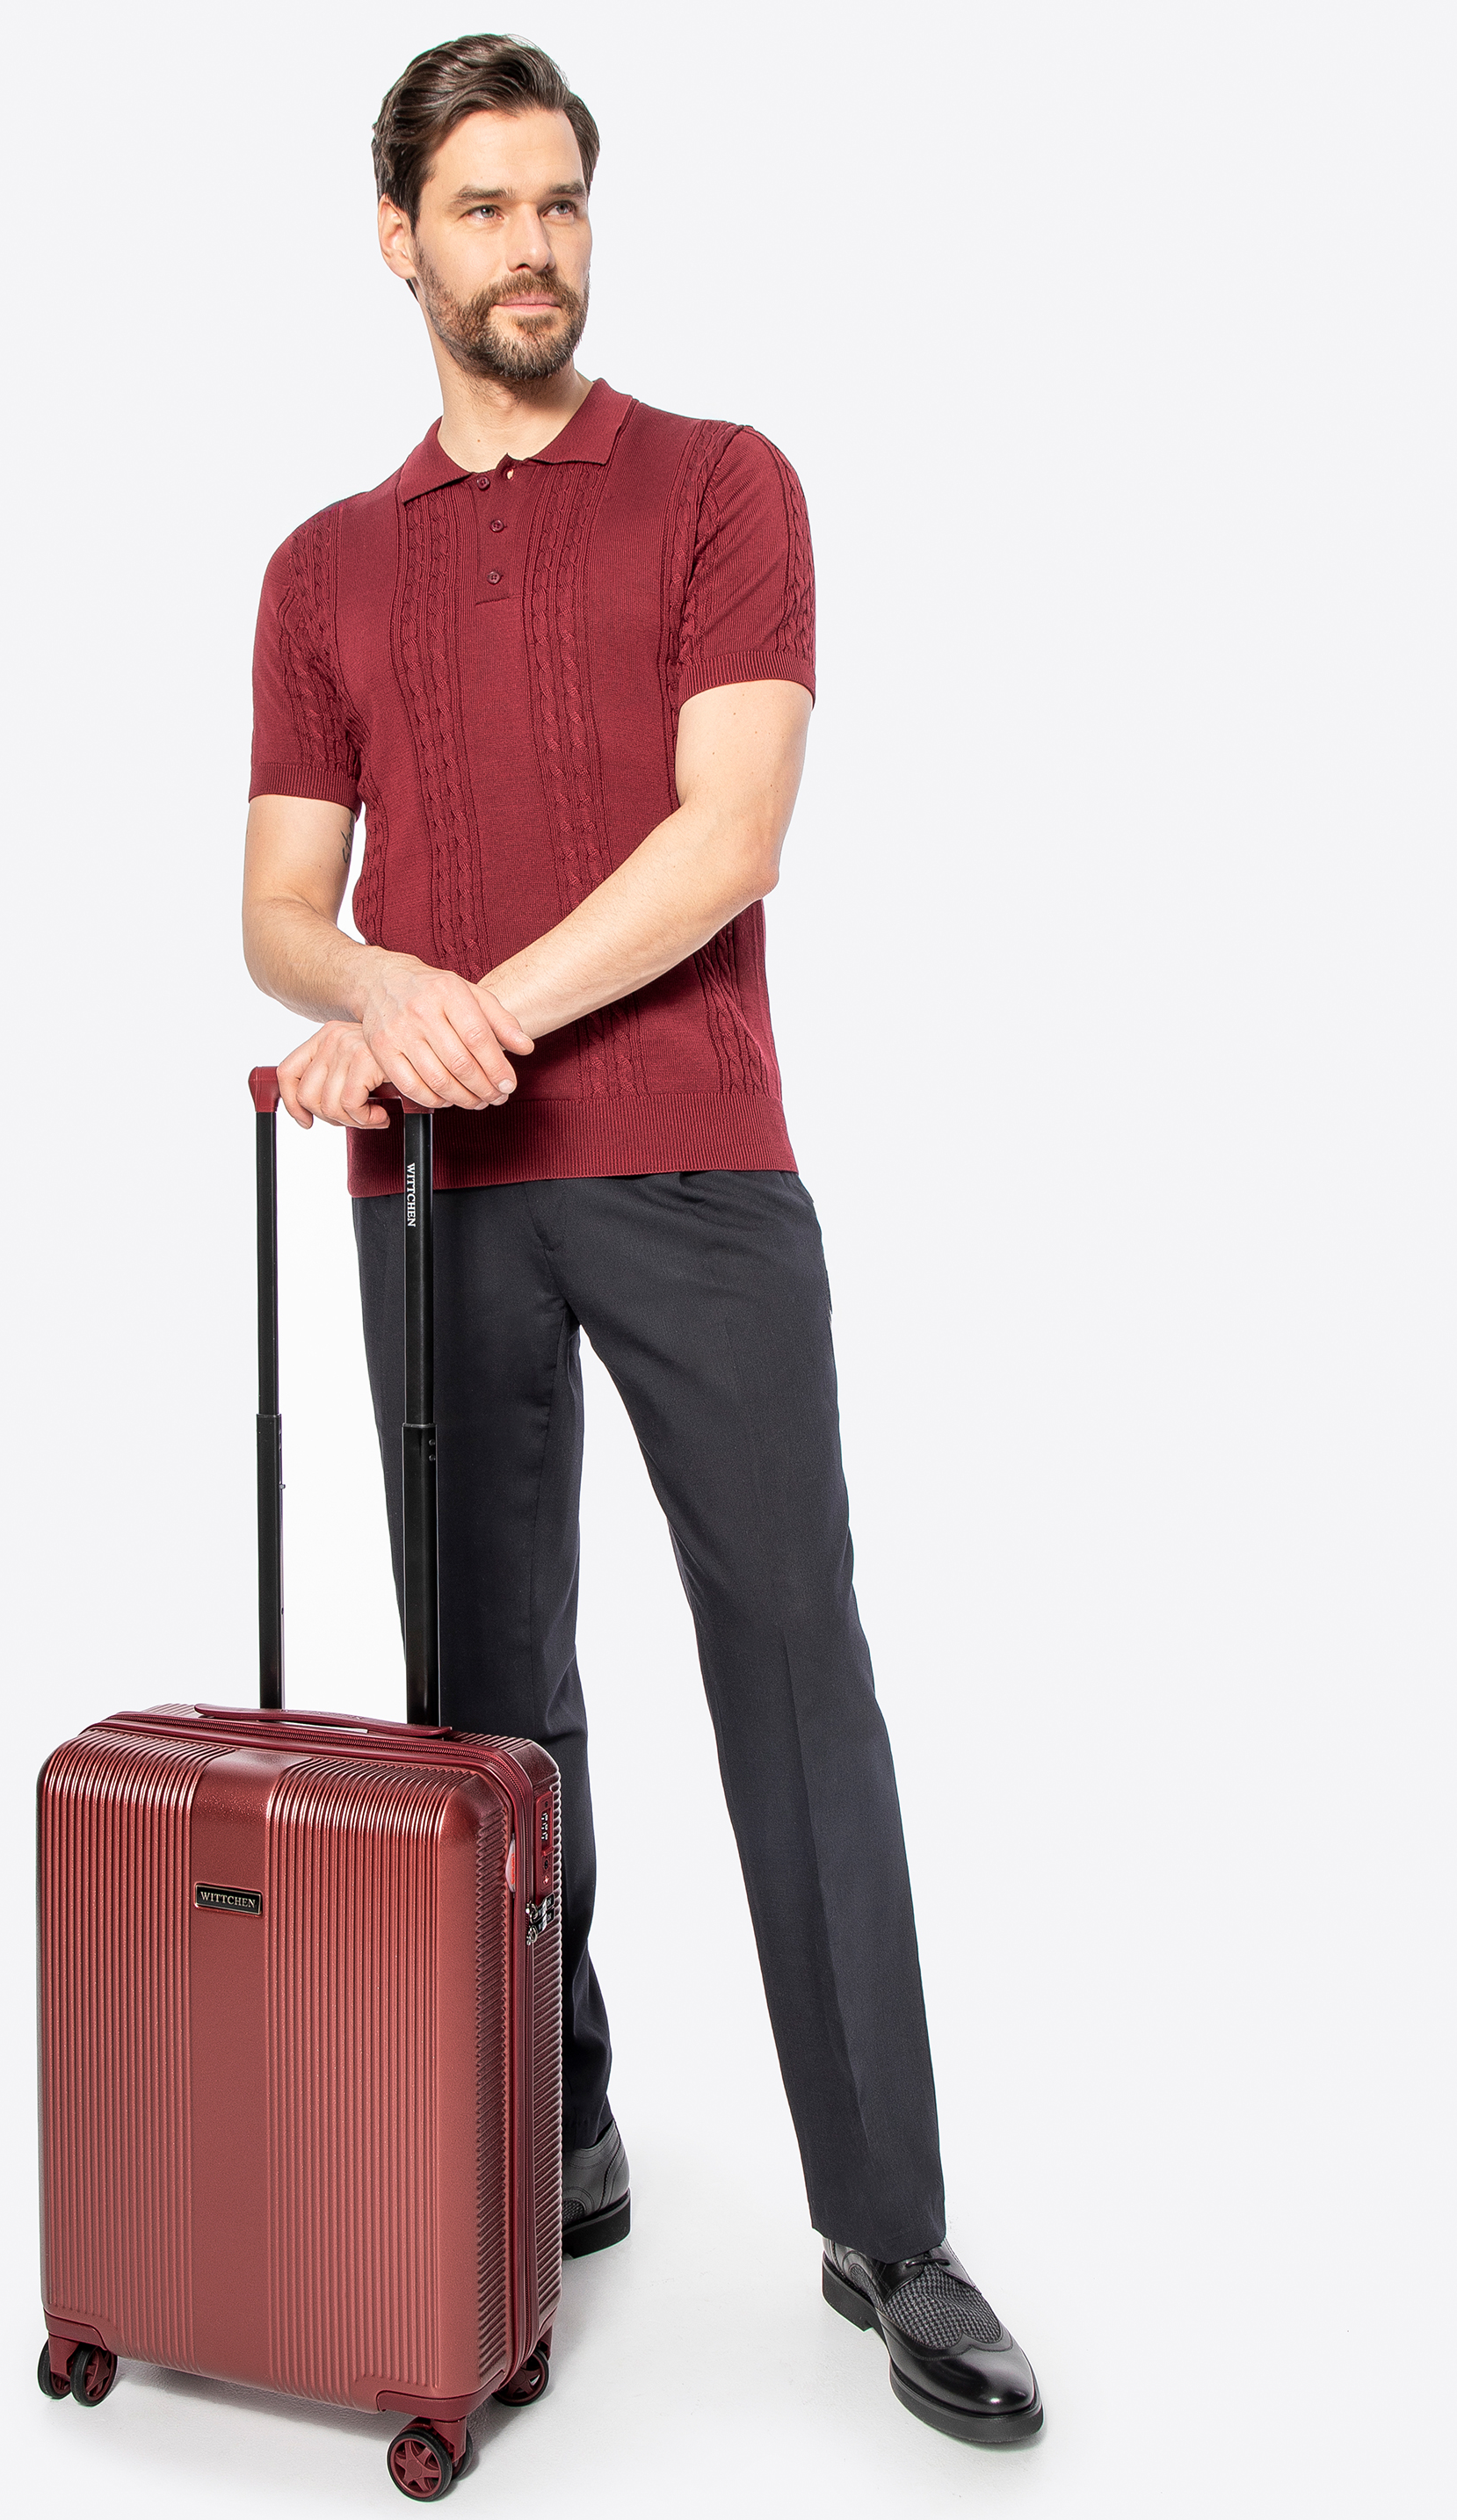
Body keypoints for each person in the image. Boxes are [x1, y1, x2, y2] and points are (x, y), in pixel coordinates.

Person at [241, 33, 1042, 2447]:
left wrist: (451, 1010)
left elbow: (730, 838)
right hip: (435, 1200)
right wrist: (366, 995)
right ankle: (548, 2128)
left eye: (562, 201)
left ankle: (891, 2224)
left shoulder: (720, 484)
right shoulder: (322, 567)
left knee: (795, 1667)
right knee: (487, 1704)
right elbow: (280, 908)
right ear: (400, 242)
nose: (535, 247)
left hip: (692, 1163)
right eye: (485, 208)